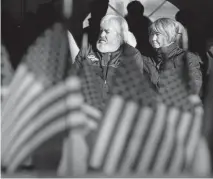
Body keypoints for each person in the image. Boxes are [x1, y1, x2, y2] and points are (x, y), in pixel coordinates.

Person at [74, 14, 142, 103]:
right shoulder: (87, 50)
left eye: (107, 31)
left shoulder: (132, 54)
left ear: (119, 35)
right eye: (101, 30)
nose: (102, 34)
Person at [144, 18, 203, 95]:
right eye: (151, 34)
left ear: (169, 34)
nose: (153, 38)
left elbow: (194, 87)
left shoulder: (187, 58)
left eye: (157, 34)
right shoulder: (146, 58)